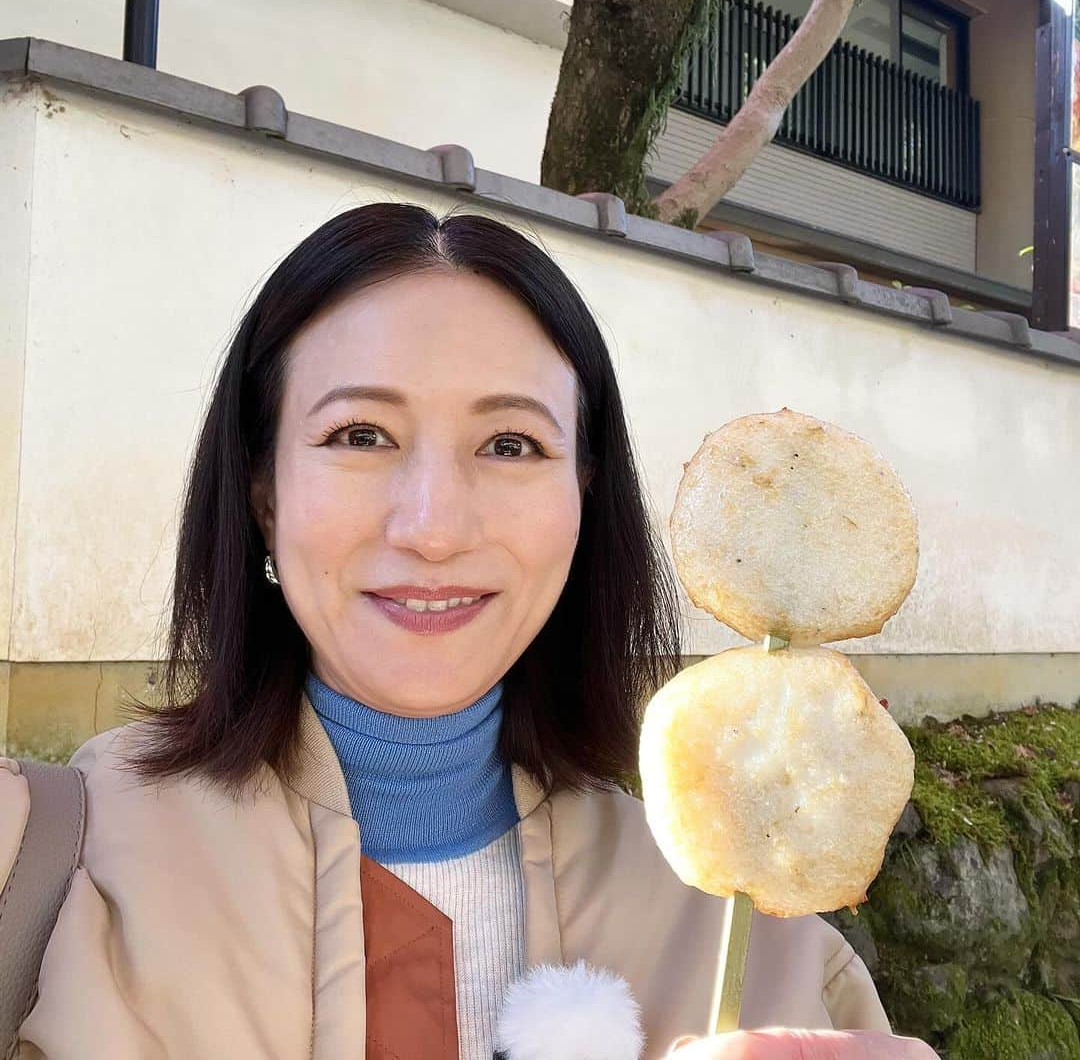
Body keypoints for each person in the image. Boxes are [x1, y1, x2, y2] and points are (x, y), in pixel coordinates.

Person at [1, 203, 935, 1059]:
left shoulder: (748, 932)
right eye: (360, 435)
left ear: (585, 494)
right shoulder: (51, 869)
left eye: (511, 445)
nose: (435, 528)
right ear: (261, 488)